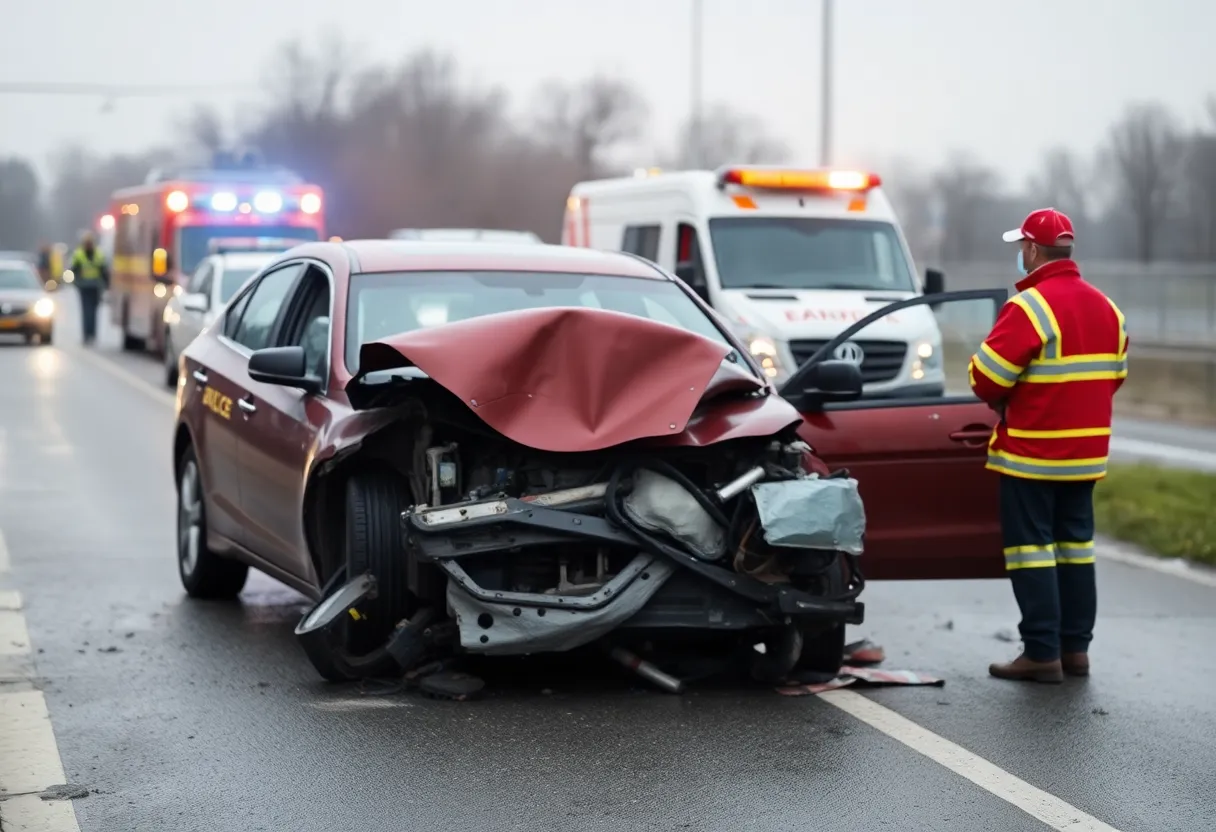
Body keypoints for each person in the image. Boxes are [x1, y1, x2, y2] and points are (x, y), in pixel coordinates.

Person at [967, 208, 1127, 683]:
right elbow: (1112, 378)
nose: (1021, 255)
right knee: (1076, 549)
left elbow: (986, 378)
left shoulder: (1030, 308)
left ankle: (1041, 652)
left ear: (1033, 250)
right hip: (1085, 459)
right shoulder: (1109, 309)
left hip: (1031, 457)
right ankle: (1075, 650)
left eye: (1022, 248)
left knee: (1030, 552)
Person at [69, 232, 109, 344]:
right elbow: (104, 272)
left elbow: (73, 270)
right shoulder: (92, 254)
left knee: (91, 311)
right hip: (88, 287)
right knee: (88, 311)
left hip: (91, 286)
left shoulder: (81, 254)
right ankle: (88, 334)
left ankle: (90, 334)